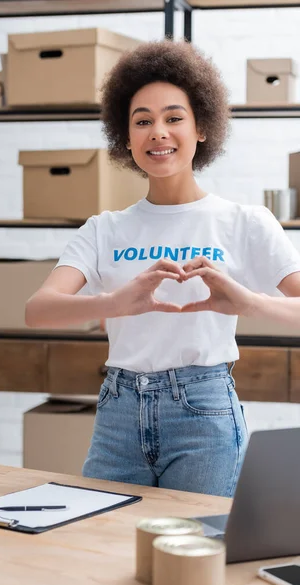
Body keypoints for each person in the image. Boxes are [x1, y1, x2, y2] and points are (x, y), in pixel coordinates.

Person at [25, 39, 300, 497]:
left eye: (174, 118)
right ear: (125, 136)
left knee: (196, 548)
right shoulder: (104, 229)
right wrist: (115, 303)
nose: (158, 132)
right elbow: (38, 311)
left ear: (202, 129)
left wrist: (249, 303)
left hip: (203, 413)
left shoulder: (244, 222)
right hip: (118, 410)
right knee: (101, 546)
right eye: (142, 121)